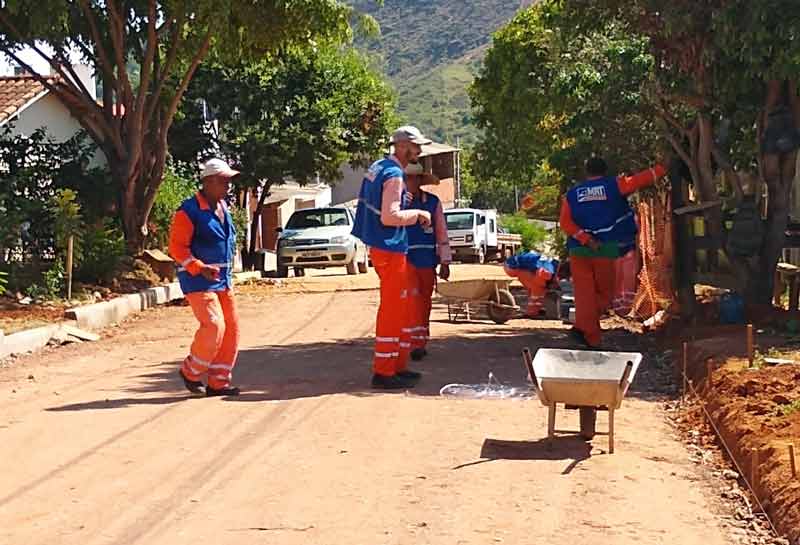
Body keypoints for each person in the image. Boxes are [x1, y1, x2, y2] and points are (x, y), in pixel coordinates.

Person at [352, 126, 433, 389]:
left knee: (401, 307)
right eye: (415, 146)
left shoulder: (378, 167)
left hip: (383, 247)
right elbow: (390, 216)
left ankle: (398, 365)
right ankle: (385, 371)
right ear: (402, 146)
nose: (418, 151)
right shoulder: (394, 175)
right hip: (390, 248)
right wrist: (419, 214)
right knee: (393, 310)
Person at [559, 156, 666, 348]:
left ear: (586, 172)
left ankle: (589, 337)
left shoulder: (573, 194)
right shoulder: (613, 185)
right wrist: (662, 168)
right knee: (605, 294)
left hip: (578, 249)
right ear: (605, 170)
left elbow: (565, 223)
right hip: (604, 248)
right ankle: (585, 330)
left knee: (584, 294)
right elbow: (640, 180)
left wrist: (584, 238)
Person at [169, 158, 241, 396]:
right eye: (224, 181)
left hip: (223, 280)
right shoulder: (188, 211)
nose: (228, 186)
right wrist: (199, 267)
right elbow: (177, 248)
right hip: (198, 281)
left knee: (231, 328)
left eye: (229, 181)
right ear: (208, 182)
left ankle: (218, 382)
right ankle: (190, 372)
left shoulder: (223, 207)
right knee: (214, 325)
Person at [404, 162, 452, 361]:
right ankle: (409, 343)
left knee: (424, 301)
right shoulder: (396, 203)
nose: (410, 182)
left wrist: (445, 261)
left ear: (420, 180)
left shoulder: (432, 202)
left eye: (414, 178)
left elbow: (441, 231)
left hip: (426, 260)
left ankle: (420, 341)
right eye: (406, 178)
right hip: (404, 260)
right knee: (410, 300)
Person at [503, 251, 559, 318]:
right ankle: (532, 312)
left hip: (513, 265)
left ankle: (535, 310)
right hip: (512, 266)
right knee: (537, 290)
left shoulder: (552, 266)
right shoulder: (547, 272)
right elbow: (540, 275)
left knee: (536, 289)